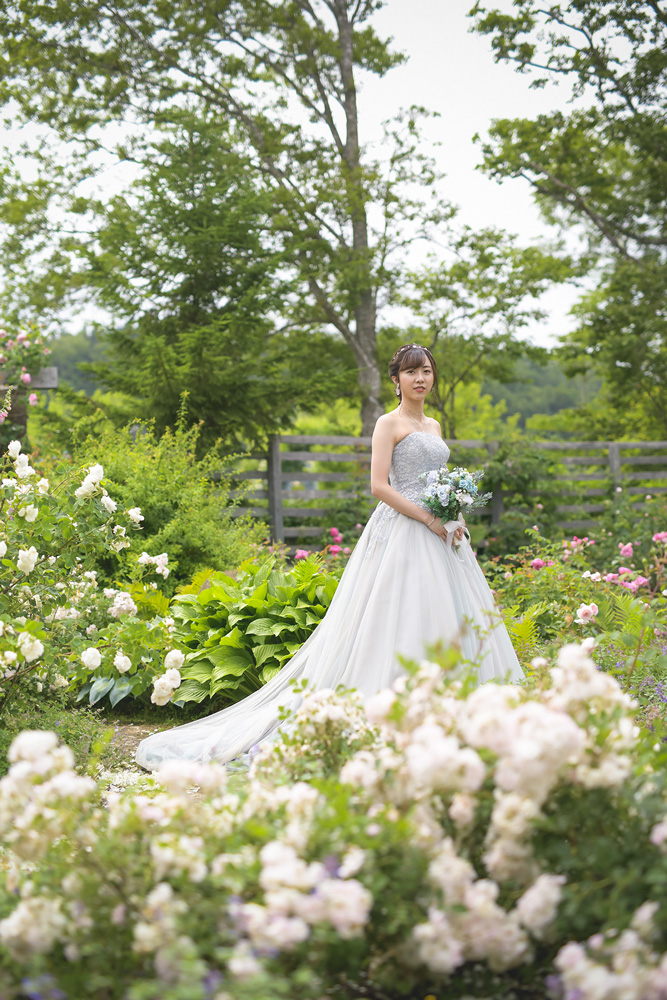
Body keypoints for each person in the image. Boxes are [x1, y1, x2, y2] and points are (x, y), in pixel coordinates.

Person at [136, 344, 523, 770]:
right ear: (396, 379)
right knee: (399, 619)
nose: (420, 379)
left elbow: (438, 481)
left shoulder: (433, 424)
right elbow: (380, 486)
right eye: (411, 372)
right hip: (404, 530)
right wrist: (430, 520)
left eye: (426, 372)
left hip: (442, 534)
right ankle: (391, 714)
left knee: (451, 619)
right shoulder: (387, 422)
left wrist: (452, 514)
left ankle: (454, 718)